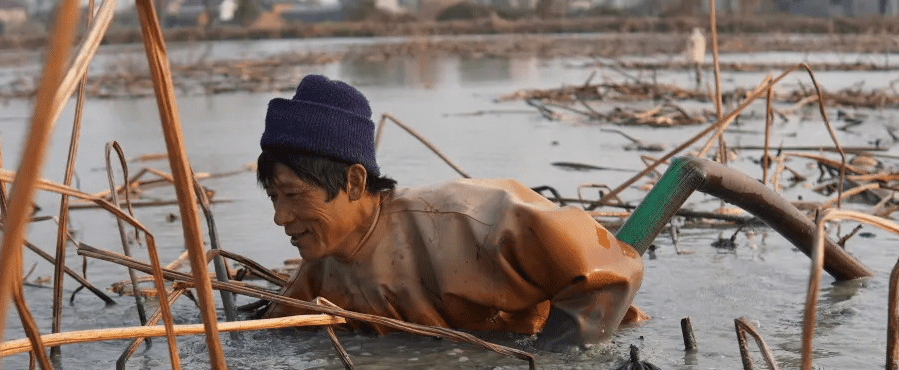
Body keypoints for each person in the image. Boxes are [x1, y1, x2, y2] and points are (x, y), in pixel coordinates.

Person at [257, 74, 646, 348]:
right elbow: (278, 330)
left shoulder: (472, 219)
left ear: (355, 183)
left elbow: (611, 271)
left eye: (293, 195)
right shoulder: (320, 269)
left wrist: (556, 366)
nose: (280, 218)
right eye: (274, 198)